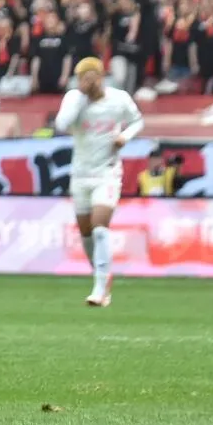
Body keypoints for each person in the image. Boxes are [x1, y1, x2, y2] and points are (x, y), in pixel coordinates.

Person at [54, 57, 144, 308]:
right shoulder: (74, 98)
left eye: (90, 77)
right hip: (81, 173)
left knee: (99, 226)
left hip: (107, 172)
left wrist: (124, 137)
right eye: (82, 78)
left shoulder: (119, 99)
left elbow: (137, 120)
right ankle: (101, 275)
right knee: (85, 232)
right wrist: (80, 98)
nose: (86, 82)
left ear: (100, 76)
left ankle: (100, 288)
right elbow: (62, 124)